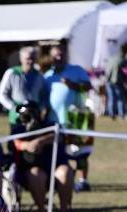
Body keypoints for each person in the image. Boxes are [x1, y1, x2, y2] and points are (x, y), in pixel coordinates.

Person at [12, 100, 74, 212]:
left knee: (65, 171)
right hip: (31, 172)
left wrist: (41, 140)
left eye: (29, 113)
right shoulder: (18, 129)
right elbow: (16, 143)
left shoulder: (51, 125)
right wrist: (27, 145)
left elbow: (59, 136)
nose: (26, 116)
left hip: (54, 168)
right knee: (36, 174)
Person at [44, 45, 92, 193]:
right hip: (54, 121)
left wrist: (72, 84)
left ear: (66, 55)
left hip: (75, 120)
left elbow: (88, 87)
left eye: (61, 55)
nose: (58, 58)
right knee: (59, 153)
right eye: (55, 55)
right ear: (50, 57)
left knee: (80, 152)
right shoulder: (47, 76)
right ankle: (62, 180)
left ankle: (83, 181)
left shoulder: (76, 70)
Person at [0, 46, 48, 132]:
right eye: (27, 59)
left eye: (32, 58)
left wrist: (41, 108)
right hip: (17, 117)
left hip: (34, 118)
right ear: (21, 59)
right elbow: (1, 95)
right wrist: (17, 108)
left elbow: (44, 95)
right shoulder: (12, 73)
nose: (30, 61)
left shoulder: (39, 75)